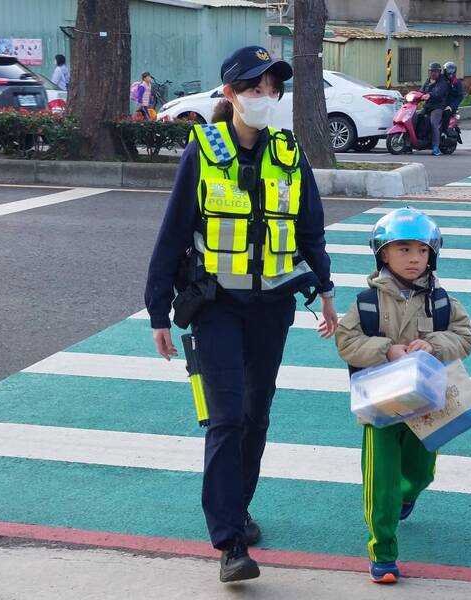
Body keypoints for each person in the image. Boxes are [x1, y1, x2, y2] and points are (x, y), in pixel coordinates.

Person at [145, 45, 338, 583]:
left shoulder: (289, 153)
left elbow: (310, 229)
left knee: (257, 416)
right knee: (226, 417)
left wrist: (325, 289)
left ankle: (239, 509)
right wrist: (158, 310)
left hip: (272, 306)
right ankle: (229, 542)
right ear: (229, 94)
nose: (265, 97)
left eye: (271, 88)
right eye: (253, 88)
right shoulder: (201, 152)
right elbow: (173, 234)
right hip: (217, 308)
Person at [335, 207, 471, 584]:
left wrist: (433, 345)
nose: (415, 258)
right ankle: (383, 552)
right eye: (404, 250)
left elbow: (465, 338)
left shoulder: (442, 301)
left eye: (422, 251)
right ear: (383, 254)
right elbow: (346, 341)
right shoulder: (366, 302)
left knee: (420, 471)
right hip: (379, 407)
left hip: (428, 406)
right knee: (381, 483)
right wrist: (387, 350)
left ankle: (408, 495)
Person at [419, 62, 450, 156]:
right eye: (432, 71)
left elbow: (438, 92)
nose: (433, 73)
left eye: (436, 71)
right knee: (417, 118)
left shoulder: (443, 82)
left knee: (434, 123)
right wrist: (414, 95)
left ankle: (436, 147)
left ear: (439, 72)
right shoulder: (428, 80)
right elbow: (421, 90)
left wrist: (430, 94)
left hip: (437, 107)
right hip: (428, 106)